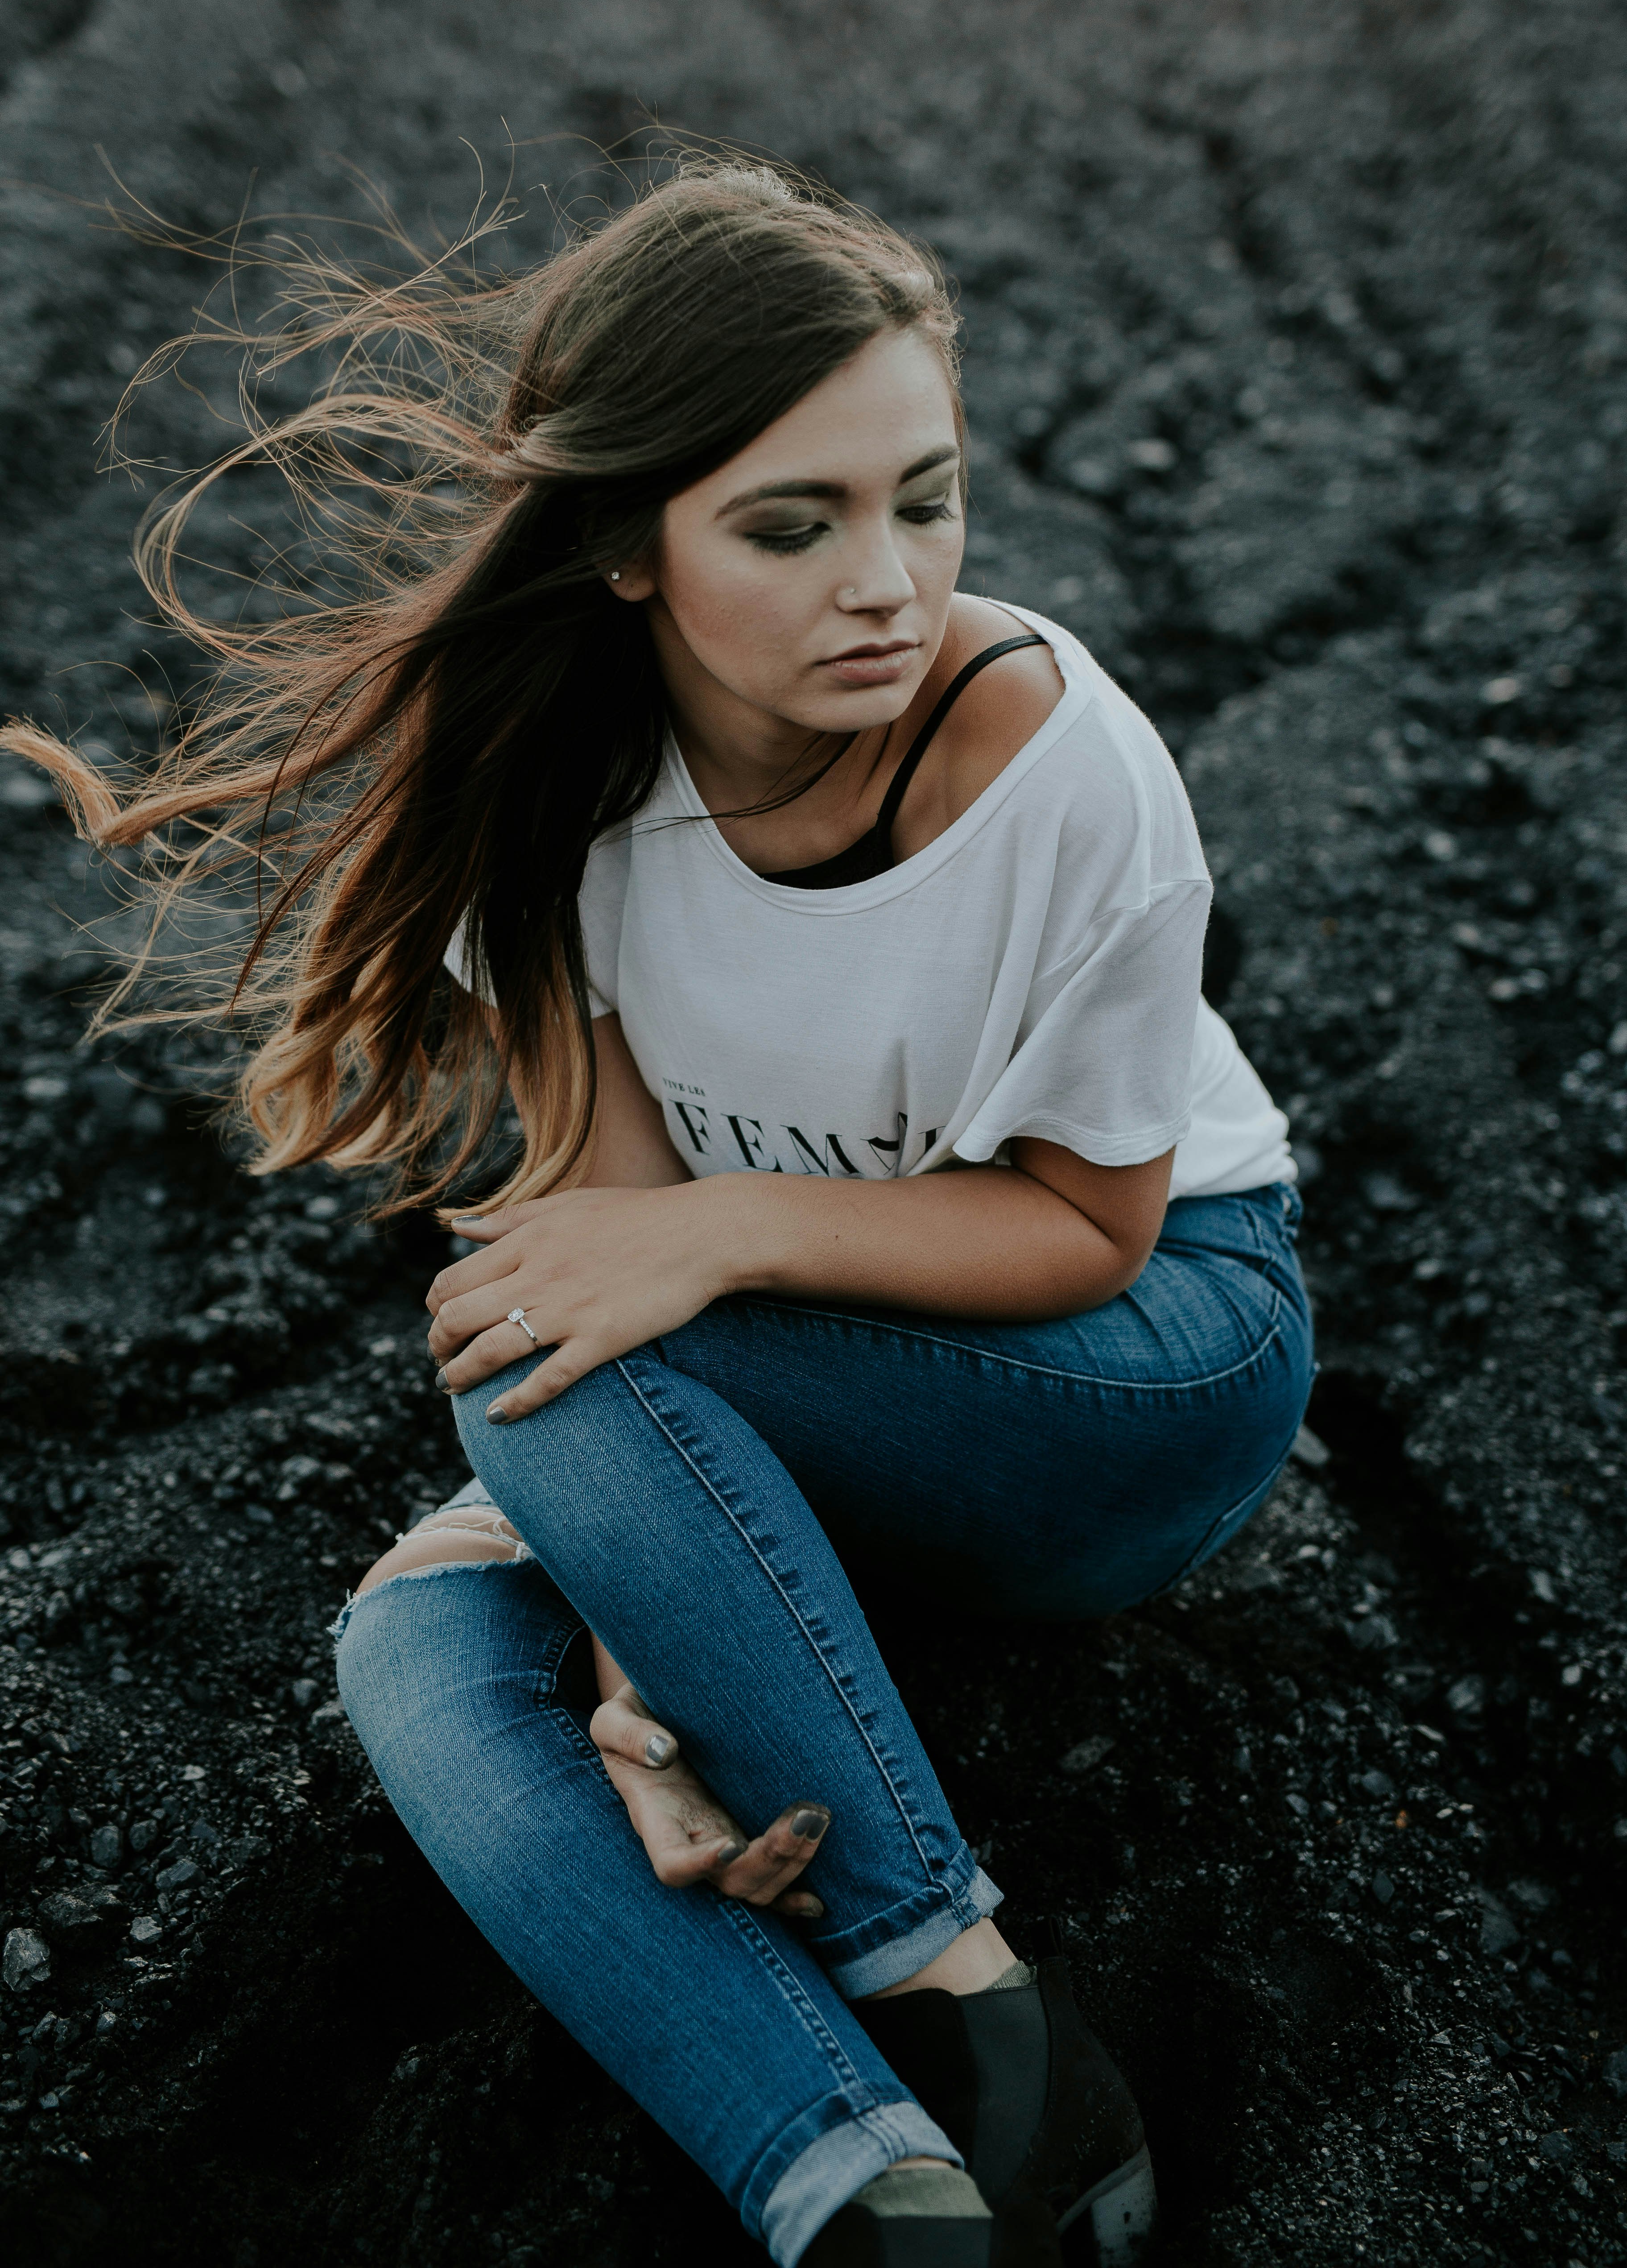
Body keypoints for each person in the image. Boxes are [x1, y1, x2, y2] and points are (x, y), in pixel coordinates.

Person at [4, 159, 1310, 2266]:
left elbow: (1087, 1226)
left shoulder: (1057, 763)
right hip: (802, 1392)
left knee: (541, 1327)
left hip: (1145, 1371)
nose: (884, 581)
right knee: (422, 1641)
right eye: (792, 526)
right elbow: (613, 1230)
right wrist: (649, 1678)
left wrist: (718, 1239)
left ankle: (954, 1985)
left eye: (925, 496)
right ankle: (857, 2191)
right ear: (627, 543)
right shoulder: (547, 782)